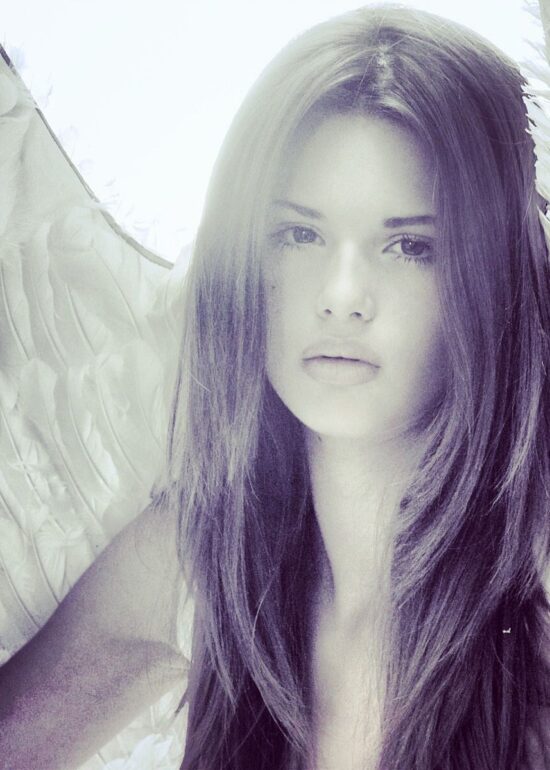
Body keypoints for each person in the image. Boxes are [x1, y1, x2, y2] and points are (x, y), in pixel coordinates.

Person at [1, 3, 550, 769]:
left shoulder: (534, 622)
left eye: (409, 245)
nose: (342, 294)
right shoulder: (202, 559)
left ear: (497, 274)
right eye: (300, 234)